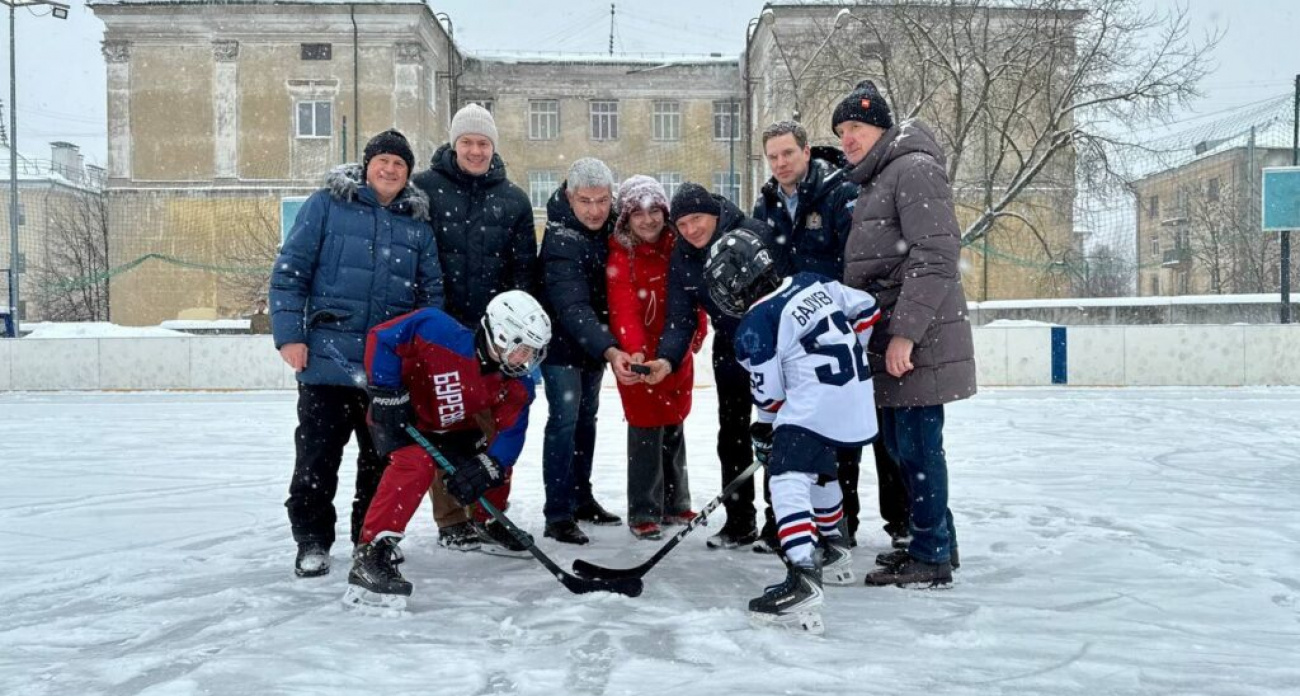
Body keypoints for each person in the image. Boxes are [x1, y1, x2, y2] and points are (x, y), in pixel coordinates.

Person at [270, 129, 444, 578]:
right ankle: (311, 540)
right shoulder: (327, 205)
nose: (389, 170)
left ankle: (370, 538)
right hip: (327, 360)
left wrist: (420, 355)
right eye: (383, 161)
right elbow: (290, 273)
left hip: (386, 371)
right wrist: (291, 335)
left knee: (381, 461)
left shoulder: (416, 223)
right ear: (366, 165)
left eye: (399, 165)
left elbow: (431, 296)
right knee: (316, 459)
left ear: (408, 174)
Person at [834, 79, 977, 587]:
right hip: (895, 337)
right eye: (841, 130)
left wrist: (905, 335)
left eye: (856, 127)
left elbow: (935, 256)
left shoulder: (912, 170)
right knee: (903, 448)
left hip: (918, 341)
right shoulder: (879, 178)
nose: (848, 138)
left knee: (916, 449)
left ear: (881, 127)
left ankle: (932, 555)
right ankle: (935, 541)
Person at [705, 229, 880, 634]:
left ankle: (803, 575)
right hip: (856, 397)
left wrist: (764, 433)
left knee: (785, 477)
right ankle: (835, 549)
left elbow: (771, 399)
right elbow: (868, 310)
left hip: (814, 405)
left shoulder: (755, 324)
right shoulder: (811, 280)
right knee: (819, 469)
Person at [752, 120, 911, 554]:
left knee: (869, 429)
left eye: (788, 153)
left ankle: (902, 524)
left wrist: (843, 312)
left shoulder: (840, 192)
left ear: (806, 152)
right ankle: (835, 529)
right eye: (773, 156)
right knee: (810, 433)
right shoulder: (767, 202)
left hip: (841, 324)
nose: (781, 163)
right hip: (795, 336)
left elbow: (858, 259)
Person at [343, 291, 550, 611]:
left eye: (534, 353)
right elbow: (382, 337)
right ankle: (372, 553)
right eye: (523, 349)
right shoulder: (436, 329)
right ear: (502, 334)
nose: (527, 360)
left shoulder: (516, 383)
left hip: (455, 427)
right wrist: (386, 390)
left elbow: (511, 432)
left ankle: (488, 522)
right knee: (417, 464)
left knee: (491, 459)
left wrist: (490, 466)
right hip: (402, 417)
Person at [412, 103, 539, 553]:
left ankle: (491, 513)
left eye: (483, 143)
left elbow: (524, 271)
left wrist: (518, 334)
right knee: (446, 424)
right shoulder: (424, 189)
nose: (475, 150)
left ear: (493, 147)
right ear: (453, 144)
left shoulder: (514, 199)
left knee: (496, 427)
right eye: (467, 141)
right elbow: (415, 258)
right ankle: (451, 520)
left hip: (497, 340)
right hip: (442, 332)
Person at [642, 183, 787, 550]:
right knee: (732, 434)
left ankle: (782, 521)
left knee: (779, 433)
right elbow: (679, 318)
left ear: (714, 213)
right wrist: (667, 358)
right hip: (730, 346)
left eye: (696, 220)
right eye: (682, 224)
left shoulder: (754, 234)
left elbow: (788, 287)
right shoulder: (683, 255)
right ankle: (740, 521)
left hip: (777, 345)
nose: (690, 230)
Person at [538, 158, 637, 545]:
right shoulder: (561, 237)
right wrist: (610, 349)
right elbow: (572, 306)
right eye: (586, 201)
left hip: (594, 345)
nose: (595, 210)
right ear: (569, 197)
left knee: (586, 420)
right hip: (563, 345)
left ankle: (581, 497)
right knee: (564, 420)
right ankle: (558, 513)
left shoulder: (612, 227)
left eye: (602, 200)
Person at [606, 175, 707, 540]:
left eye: (654, 212)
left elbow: (693, 297)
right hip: (640, 357)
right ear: (626, 218)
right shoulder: (620, 256)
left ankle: (676, 501)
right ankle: (644, 509)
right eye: (638, 213)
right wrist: (636, 352)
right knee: (646, 432)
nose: (647, 220)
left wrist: (695, 335)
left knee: (674, 425)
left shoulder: (679, 247)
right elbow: (623, 309)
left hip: (675, 351)